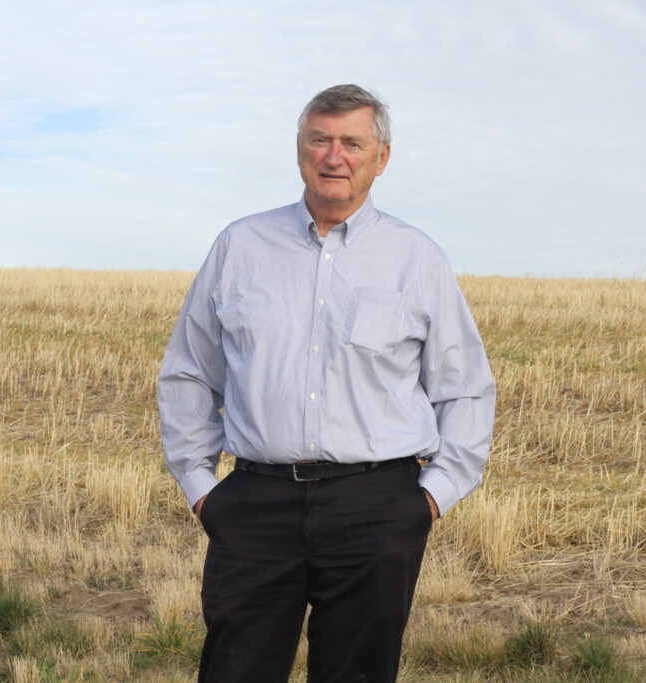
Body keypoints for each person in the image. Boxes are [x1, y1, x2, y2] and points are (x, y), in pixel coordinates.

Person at [158, 84, 496, 682]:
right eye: (320, 139)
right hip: (256, 505)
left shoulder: (416, 260)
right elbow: (190, 371)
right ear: (299, 149)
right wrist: (199, 483)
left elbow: (464, 387)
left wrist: (430, 498)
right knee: (235, 670)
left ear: (381, 157)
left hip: (377, 508)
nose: (333, 156)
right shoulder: (240, 247)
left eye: (351, 142)